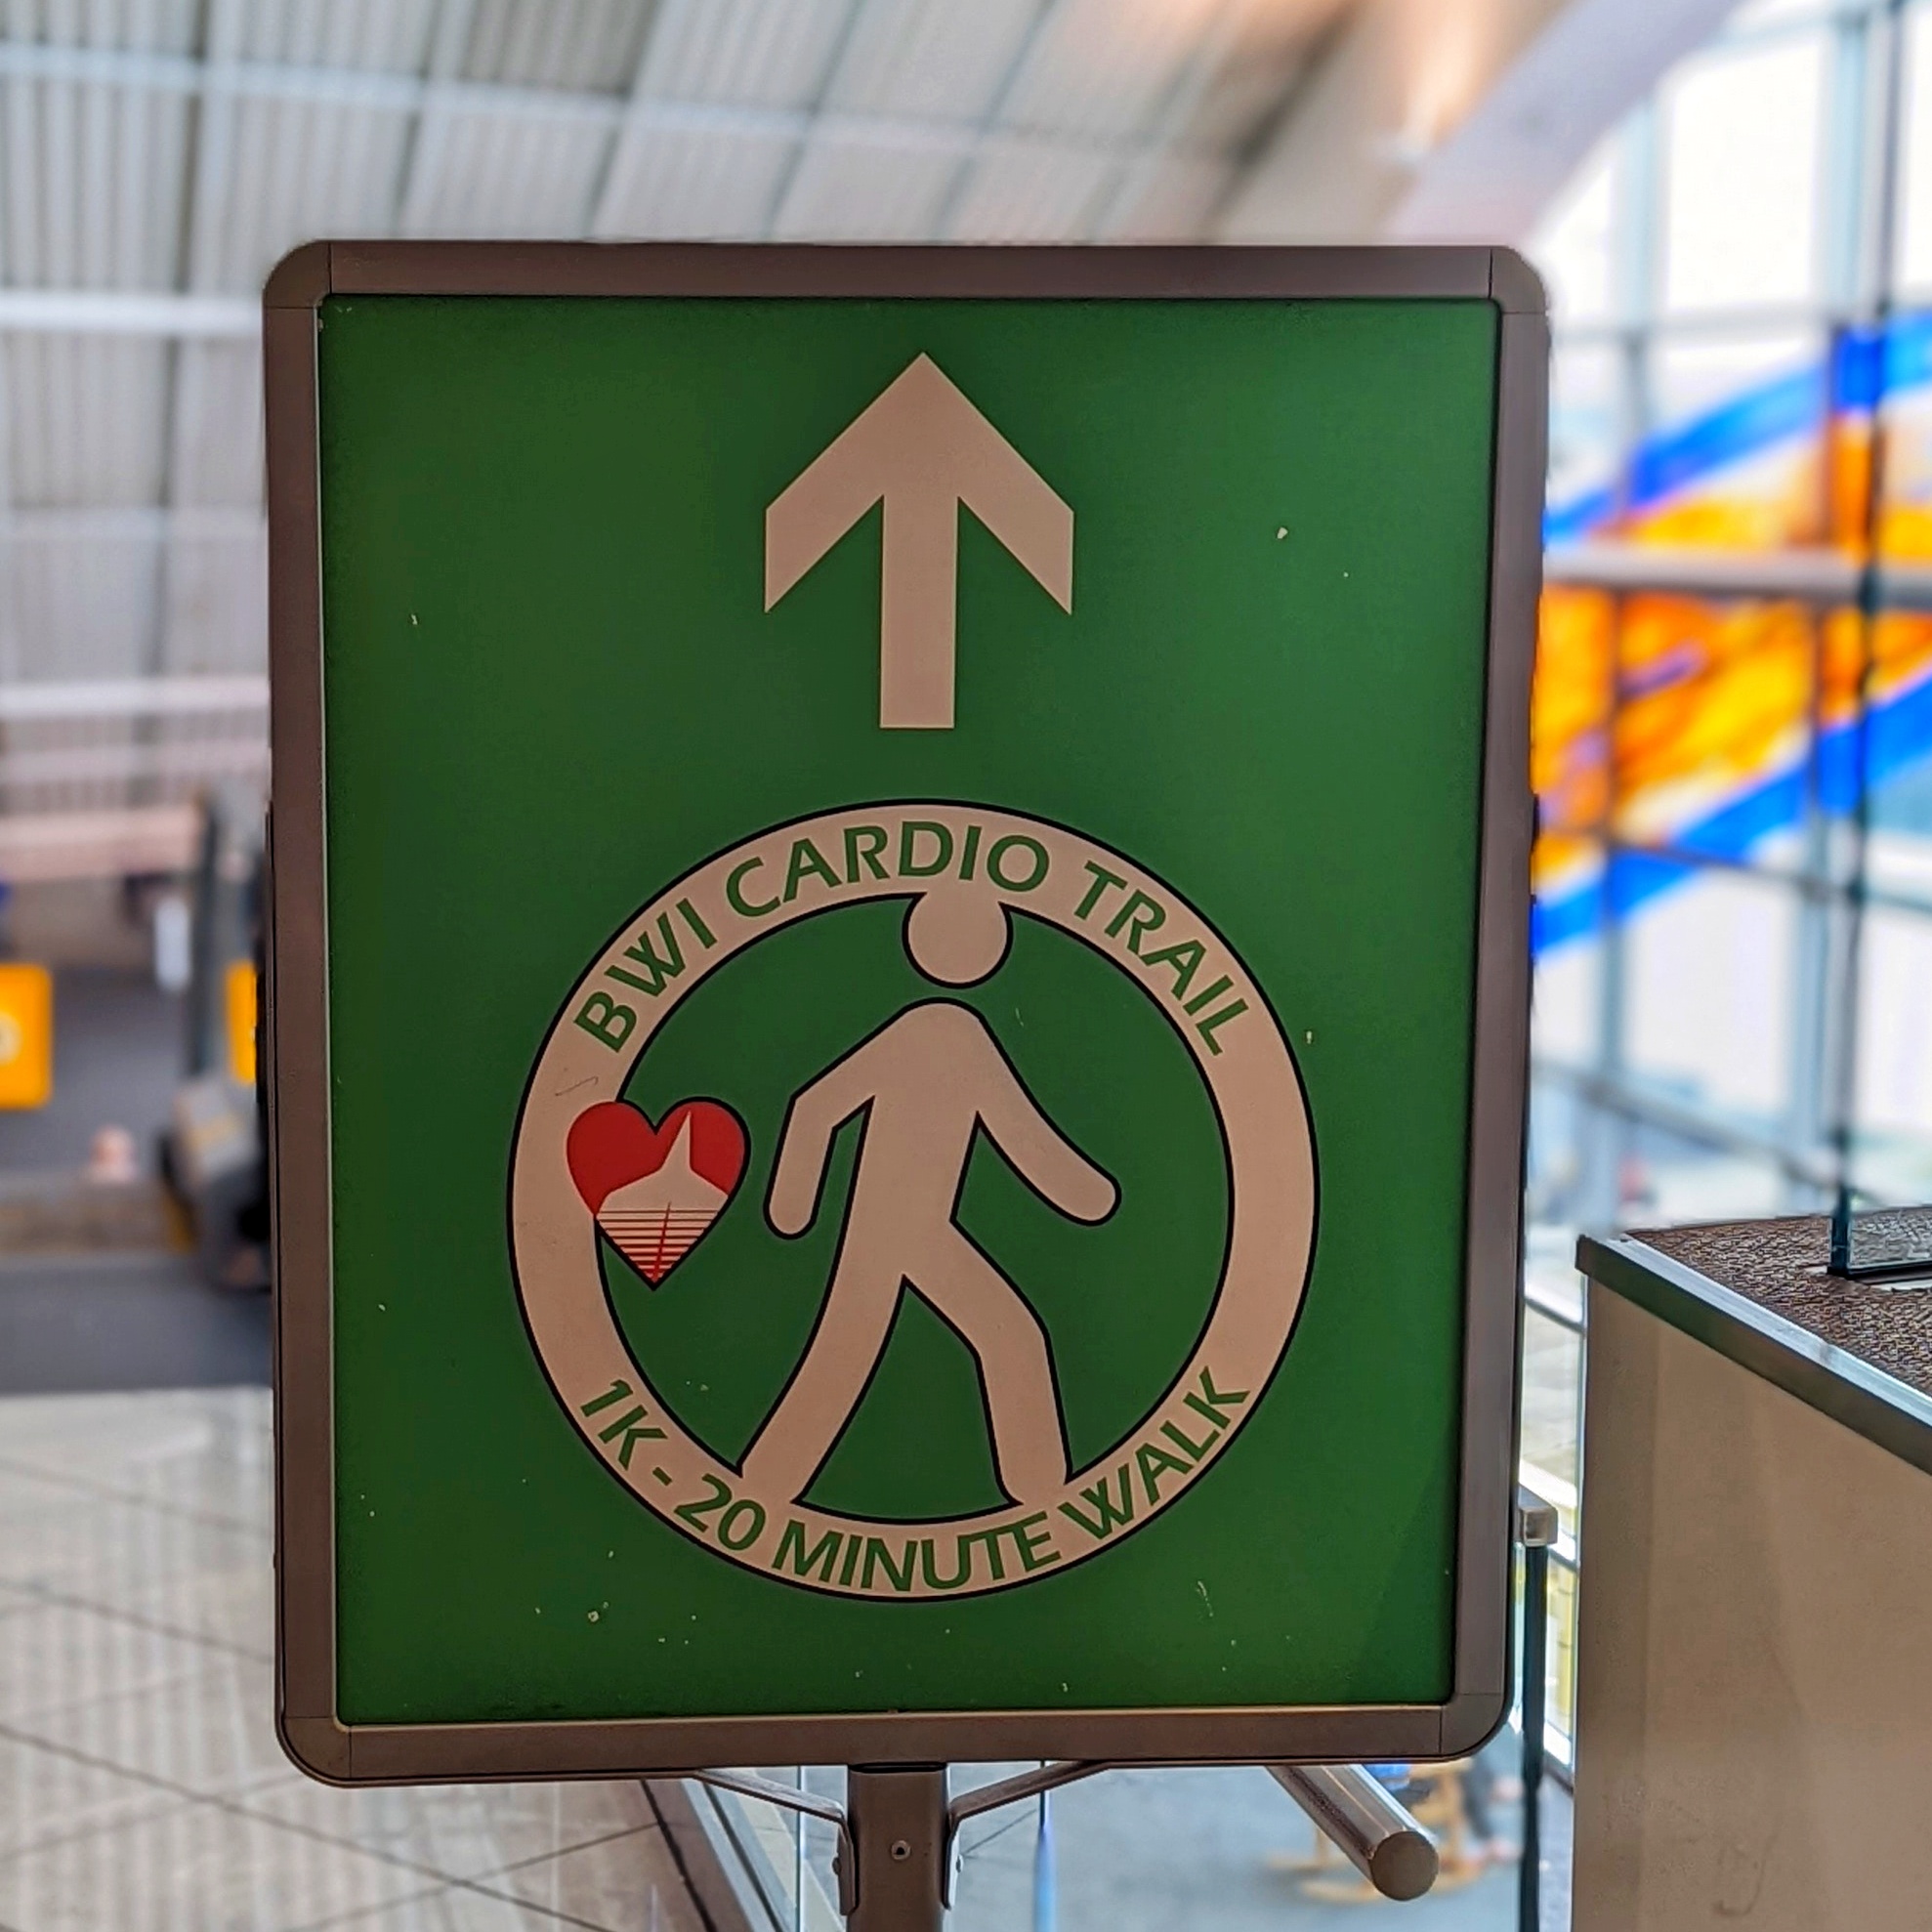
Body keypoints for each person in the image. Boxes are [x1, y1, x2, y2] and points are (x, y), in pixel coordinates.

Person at [742, 886, 1117, 1505]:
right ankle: (1042, 1488)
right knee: (1001, 1336)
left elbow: (1014, 1129)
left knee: (860, 1350)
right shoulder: (941, 1033)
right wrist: (791, 1205)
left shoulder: (948, 1033)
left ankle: (768, 1482)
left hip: (913, 1228)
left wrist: (1081, 1191)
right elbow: (818, 1106)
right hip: (896, 1228)